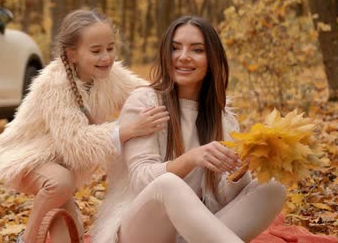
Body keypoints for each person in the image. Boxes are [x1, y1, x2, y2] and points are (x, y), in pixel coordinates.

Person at [91, 16, 286, 243]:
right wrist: (192, 158)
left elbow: (216, 201)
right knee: (169, 184)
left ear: (211, 59)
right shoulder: (145, 101)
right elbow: (141, 180)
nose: (183, 57)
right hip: (141, 231)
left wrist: (241, 170)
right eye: (175, 48)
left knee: (273, 188)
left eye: (197, 50)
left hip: (190, 234)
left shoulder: (223, 117)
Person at [0, 9, 169, 243]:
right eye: (96, 51)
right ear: (72, 54)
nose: (106, 57)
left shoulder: (111, 75)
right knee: (60, 183)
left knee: (70, 237)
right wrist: (128, 129)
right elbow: (76, 142)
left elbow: (146, 91)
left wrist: (186, 96)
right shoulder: (55, 84)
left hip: (62, 164)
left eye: (110, 48)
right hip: (28, 157)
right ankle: (26, 240)